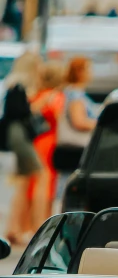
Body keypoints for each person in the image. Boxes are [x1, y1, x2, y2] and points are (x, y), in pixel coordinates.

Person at [2, 52, 45, 245]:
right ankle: (18, 228)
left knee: (22, 181)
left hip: (16, 136)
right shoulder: (19, 86)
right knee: (29, 178)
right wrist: (36, 106)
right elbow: (18, 112)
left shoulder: (14, 84)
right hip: (19, 137)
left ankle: (14, 228)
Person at [31, 62, 66, 219]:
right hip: (50, 141)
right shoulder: (56, 96)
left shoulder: (37, 95)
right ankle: (42, 220)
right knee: (45, 183)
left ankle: (34, 221)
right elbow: (60, 119)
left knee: (34, 183)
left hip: (37, 140)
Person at [64, 56, 99, 133]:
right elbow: (79, 122)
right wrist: (102, 125)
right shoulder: (75, 95)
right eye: (89, 69)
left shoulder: (74, 91)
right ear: (79, 72)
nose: (91, 72)